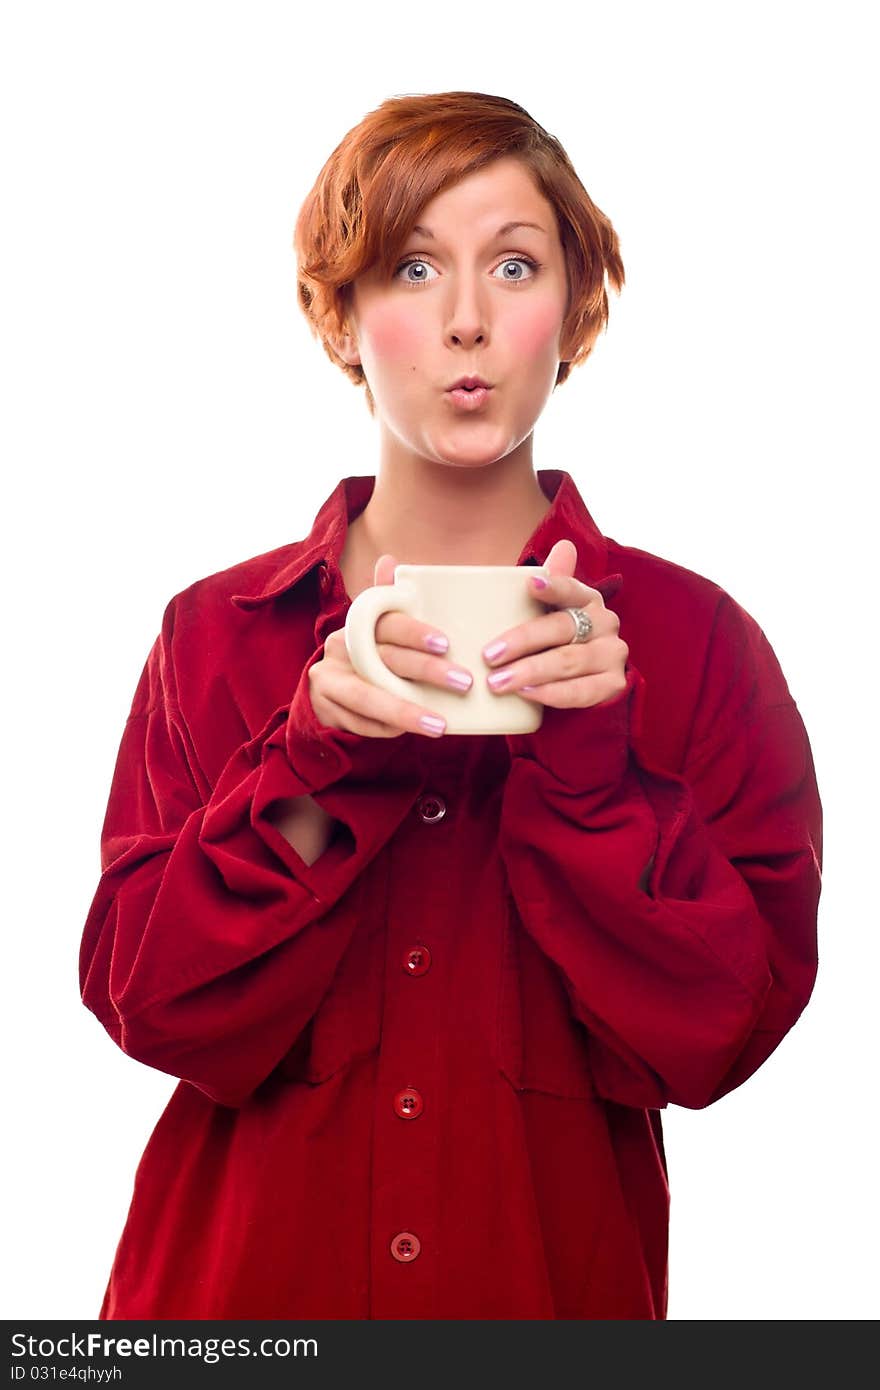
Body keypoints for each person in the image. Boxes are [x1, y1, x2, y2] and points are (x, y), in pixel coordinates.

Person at [79, 91, 822, 1320]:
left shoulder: (697, 649)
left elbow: (718, 1038)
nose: (467, 320)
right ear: (344, 314)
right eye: (413, 267)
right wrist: (321, 765)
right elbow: (152, 1001)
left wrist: (591, 780)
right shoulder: (216, 637)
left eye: (514, 265)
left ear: (574, 307)